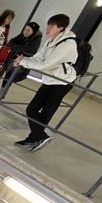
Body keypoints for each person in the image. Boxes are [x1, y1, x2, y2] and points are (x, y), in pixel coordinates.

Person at [13, 14, 78, 152]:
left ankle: (37, 137)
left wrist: (23, 62)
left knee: (44, 112)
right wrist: (23, 60)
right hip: (50, 79)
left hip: (62, 82)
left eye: (52, 26)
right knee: (32, 109)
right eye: (48, 24)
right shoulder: (51, 41)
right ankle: (36, 138)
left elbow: (47, 64)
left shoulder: (68, 44)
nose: (48, 28)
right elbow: (38, 58)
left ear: (61, 28)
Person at [0, 21, 42, 100]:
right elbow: (11, 42)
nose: (25, 32)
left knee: (10, 77)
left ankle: (1, 95)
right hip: (12, 59)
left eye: (28, 30)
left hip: (22, 62)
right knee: (7, 76)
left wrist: (15, 47)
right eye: (25, 29)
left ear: (33, 31)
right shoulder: (22, 35)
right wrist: (17, 47)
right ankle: (1, 95)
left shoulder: (37, 39)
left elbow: (29, 50)